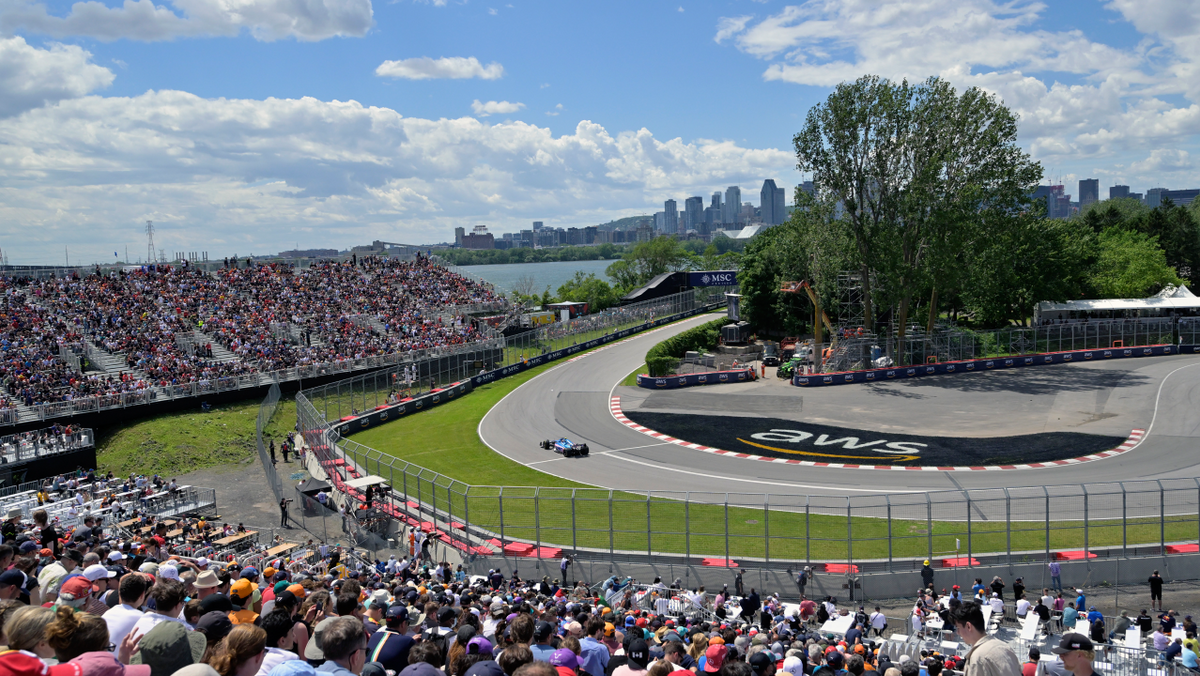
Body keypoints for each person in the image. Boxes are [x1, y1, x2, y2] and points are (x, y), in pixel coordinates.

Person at [950, 601, 1021, 676]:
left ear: (968, 626)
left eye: (958, 628)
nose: (958, 632)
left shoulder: (977, 658)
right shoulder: (1005, 647)